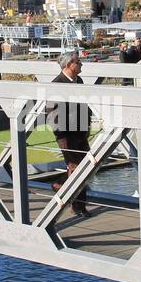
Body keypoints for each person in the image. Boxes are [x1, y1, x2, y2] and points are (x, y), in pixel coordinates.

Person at [47, 51, 92, 217]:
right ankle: (78, 206)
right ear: (68, 65)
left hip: (81, 132)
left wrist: (87, 126)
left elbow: (85, 106)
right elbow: (51, 113)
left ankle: (59, 184)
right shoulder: (56, 84)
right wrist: (61, 135)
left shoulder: (79, 81)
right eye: (78, 62)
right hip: (66, 135)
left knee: (87, 168)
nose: (81, 65)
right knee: (75, 168)